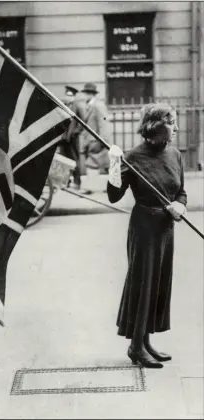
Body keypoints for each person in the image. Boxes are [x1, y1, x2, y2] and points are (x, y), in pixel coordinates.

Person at [107, 103, 187, 369]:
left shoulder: (175, 154)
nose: (176, 127)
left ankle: (146, 341)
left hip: (166, 227)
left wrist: (180, 205)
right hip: (144, 227)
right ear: (156, 125)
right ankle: (136, 347)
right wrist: (114, 165)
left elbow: (181, 192)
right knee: (144, 283)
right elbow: (114, 195)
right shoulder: (134, 157)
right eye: (172, 122)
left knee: (159, 282)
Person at [79, 82, 111, 194]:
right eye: (85, 93)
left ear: (92, 94)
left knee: (93, 164)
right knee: (106, 166)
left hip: (97, 141)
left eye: (87, 93)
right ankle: (111, 188)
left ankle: (88, 188)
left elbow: (104, 125)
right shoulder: (90, 106)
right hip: (92, 141)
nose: (85, 96)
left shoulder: (98, 106)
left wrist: (103, 142)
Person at [59, 85, 86, 190]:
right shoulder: (63, 105)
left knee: (74, 160)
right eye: (67, 95)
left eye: (70, 96)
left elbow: (83, 123)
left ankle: (77, 182)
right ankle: (65, 181)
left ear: (74, 97)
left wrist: (75, 132)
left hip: (72, 138)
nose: (68, 97)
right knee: (63, 160)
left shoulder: (77, 106)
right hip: (63, 138)